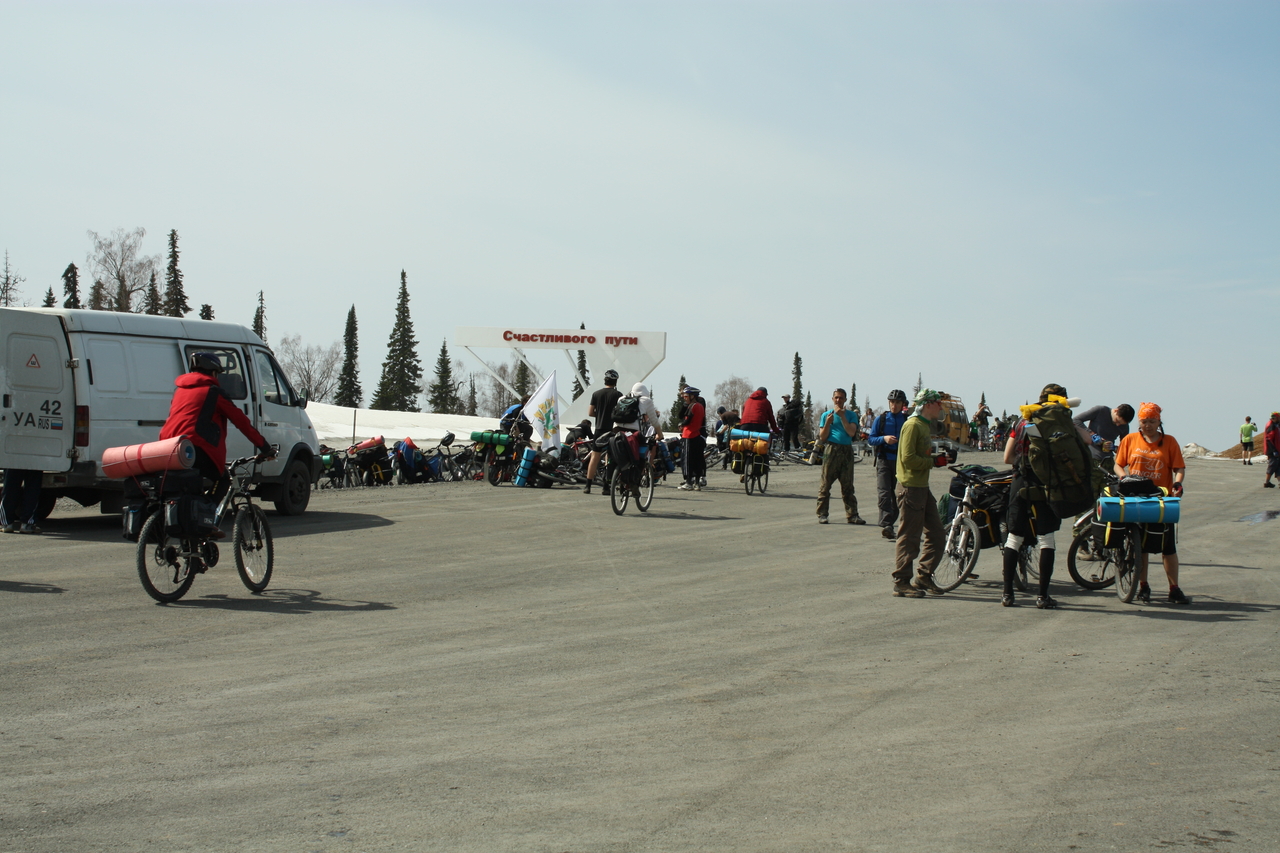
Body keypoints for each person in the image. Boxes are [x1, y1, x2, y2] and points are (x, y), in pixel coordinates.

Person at [160, 352, 274, 508]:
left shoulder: (179, 391)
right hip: (196, 448)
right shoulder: (213, 392)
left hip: (169, 447)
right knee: (223, 480)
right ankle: (207, 514)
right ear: (213, 372)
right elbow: (242, 422)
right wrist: (265, 447)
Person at [1000, 383, 1072, 609]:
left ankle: (1007, 594)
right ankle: (1043, 596)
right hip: (1047, 484)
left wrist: (1025, 463)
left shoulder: (1022, 420)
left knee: (1014, 538)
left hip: (1021, 480)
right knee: (1046, 539)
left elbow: (1007, 457)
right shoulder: (1062, 422)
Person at [1114, 402, 1188, 604]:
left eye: (1152, 421)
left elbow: (1179, 468)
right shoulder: (1130, 439)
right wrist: (1123, 477)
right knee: (1142, 548)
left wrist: (1178, 484)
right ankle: (1143, 586)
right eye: (1144, 421)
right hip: (1136, 498)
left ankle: (1174, 588)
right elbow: (1118, 464)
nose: (1148, 425)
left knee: (1168, 547)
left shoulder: (1169, 441)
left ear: (1159, 422)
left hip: (1161, 500)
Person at [891, 388, 950, 597]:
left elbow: (920, 456)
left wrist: (938, 459)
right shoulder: (912, 425)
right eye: (937, 403)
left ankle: (924, 576)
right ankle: (901, 582)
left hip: (922, 487)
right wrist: (933, 462)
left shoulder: (924, 425)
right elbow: (908, 459)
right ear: (927, 405)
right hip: (910, 488)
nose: (940, 407)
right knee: (909, 537)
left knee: (937, 534)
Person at [815, 388, 865, 525]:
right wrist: (827, 423)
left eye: (841, 398)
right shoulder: (826, 415)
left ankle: (852, 515)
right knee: (825, 485)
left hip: (846, 450)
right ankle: (822, 514)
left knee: (848, 485)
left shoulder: (851, 415)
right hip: (831, 449)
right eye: (836, 397)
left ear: (845, 400)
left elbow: (851, 432)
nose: (838, 400)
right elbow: (822, 437)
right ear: (833, 399)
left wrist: (842, 416)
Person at [867, 389, 910, 540]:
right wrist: (884, 439)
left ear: (902, 404)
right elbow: (871, 439)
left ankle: (891, 522)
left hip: (900, 462)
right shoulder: (881, 419)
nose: (894, 405)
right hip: (884, 460)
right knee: (884, 493)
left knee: (899, 495)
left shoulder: (907, 421)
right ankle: (886, 525)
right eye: (892, 402)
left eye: (897, 402)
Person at [584, 369, 622, 494]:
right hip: (611, 430)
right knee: (609, 457)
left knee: (594, 457)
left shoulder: (596, 394)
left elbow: (590, 412)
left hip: (599, 430)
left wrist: (600, 414)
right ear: (615, 382)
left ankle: (588, 485)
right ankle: (606, 486)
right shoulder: (618, 395)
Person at [677, 386, 706, 491]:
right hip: (697, 434)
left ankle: (688, 482)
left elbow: (687, 420)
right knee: (697, 459)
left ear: (692, 396)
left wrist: (681, 424)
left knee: (687, 460)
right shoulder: (700, 406)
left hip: (688, 435)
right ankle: (697, 483)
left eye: (686, 396)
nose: (684, 398)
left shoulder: (692, 406)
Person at [1, 468, 44, 534]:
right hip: (34, 462)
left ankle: (6, 524)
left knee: (10, 487)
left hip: (13, 462)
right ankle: (27, 525)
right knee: (32, 488)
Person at [1262, 412, 1280, 488]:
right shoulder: (1271, 426)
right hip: (1272, 450)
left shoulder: (1276, 425)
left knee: (1278, 466)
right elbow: (1269, 439)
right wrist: (1274, 450)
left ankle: (1276, 482)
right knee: (1272, 465)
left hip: (1276, 449)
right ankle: (1267, 482)